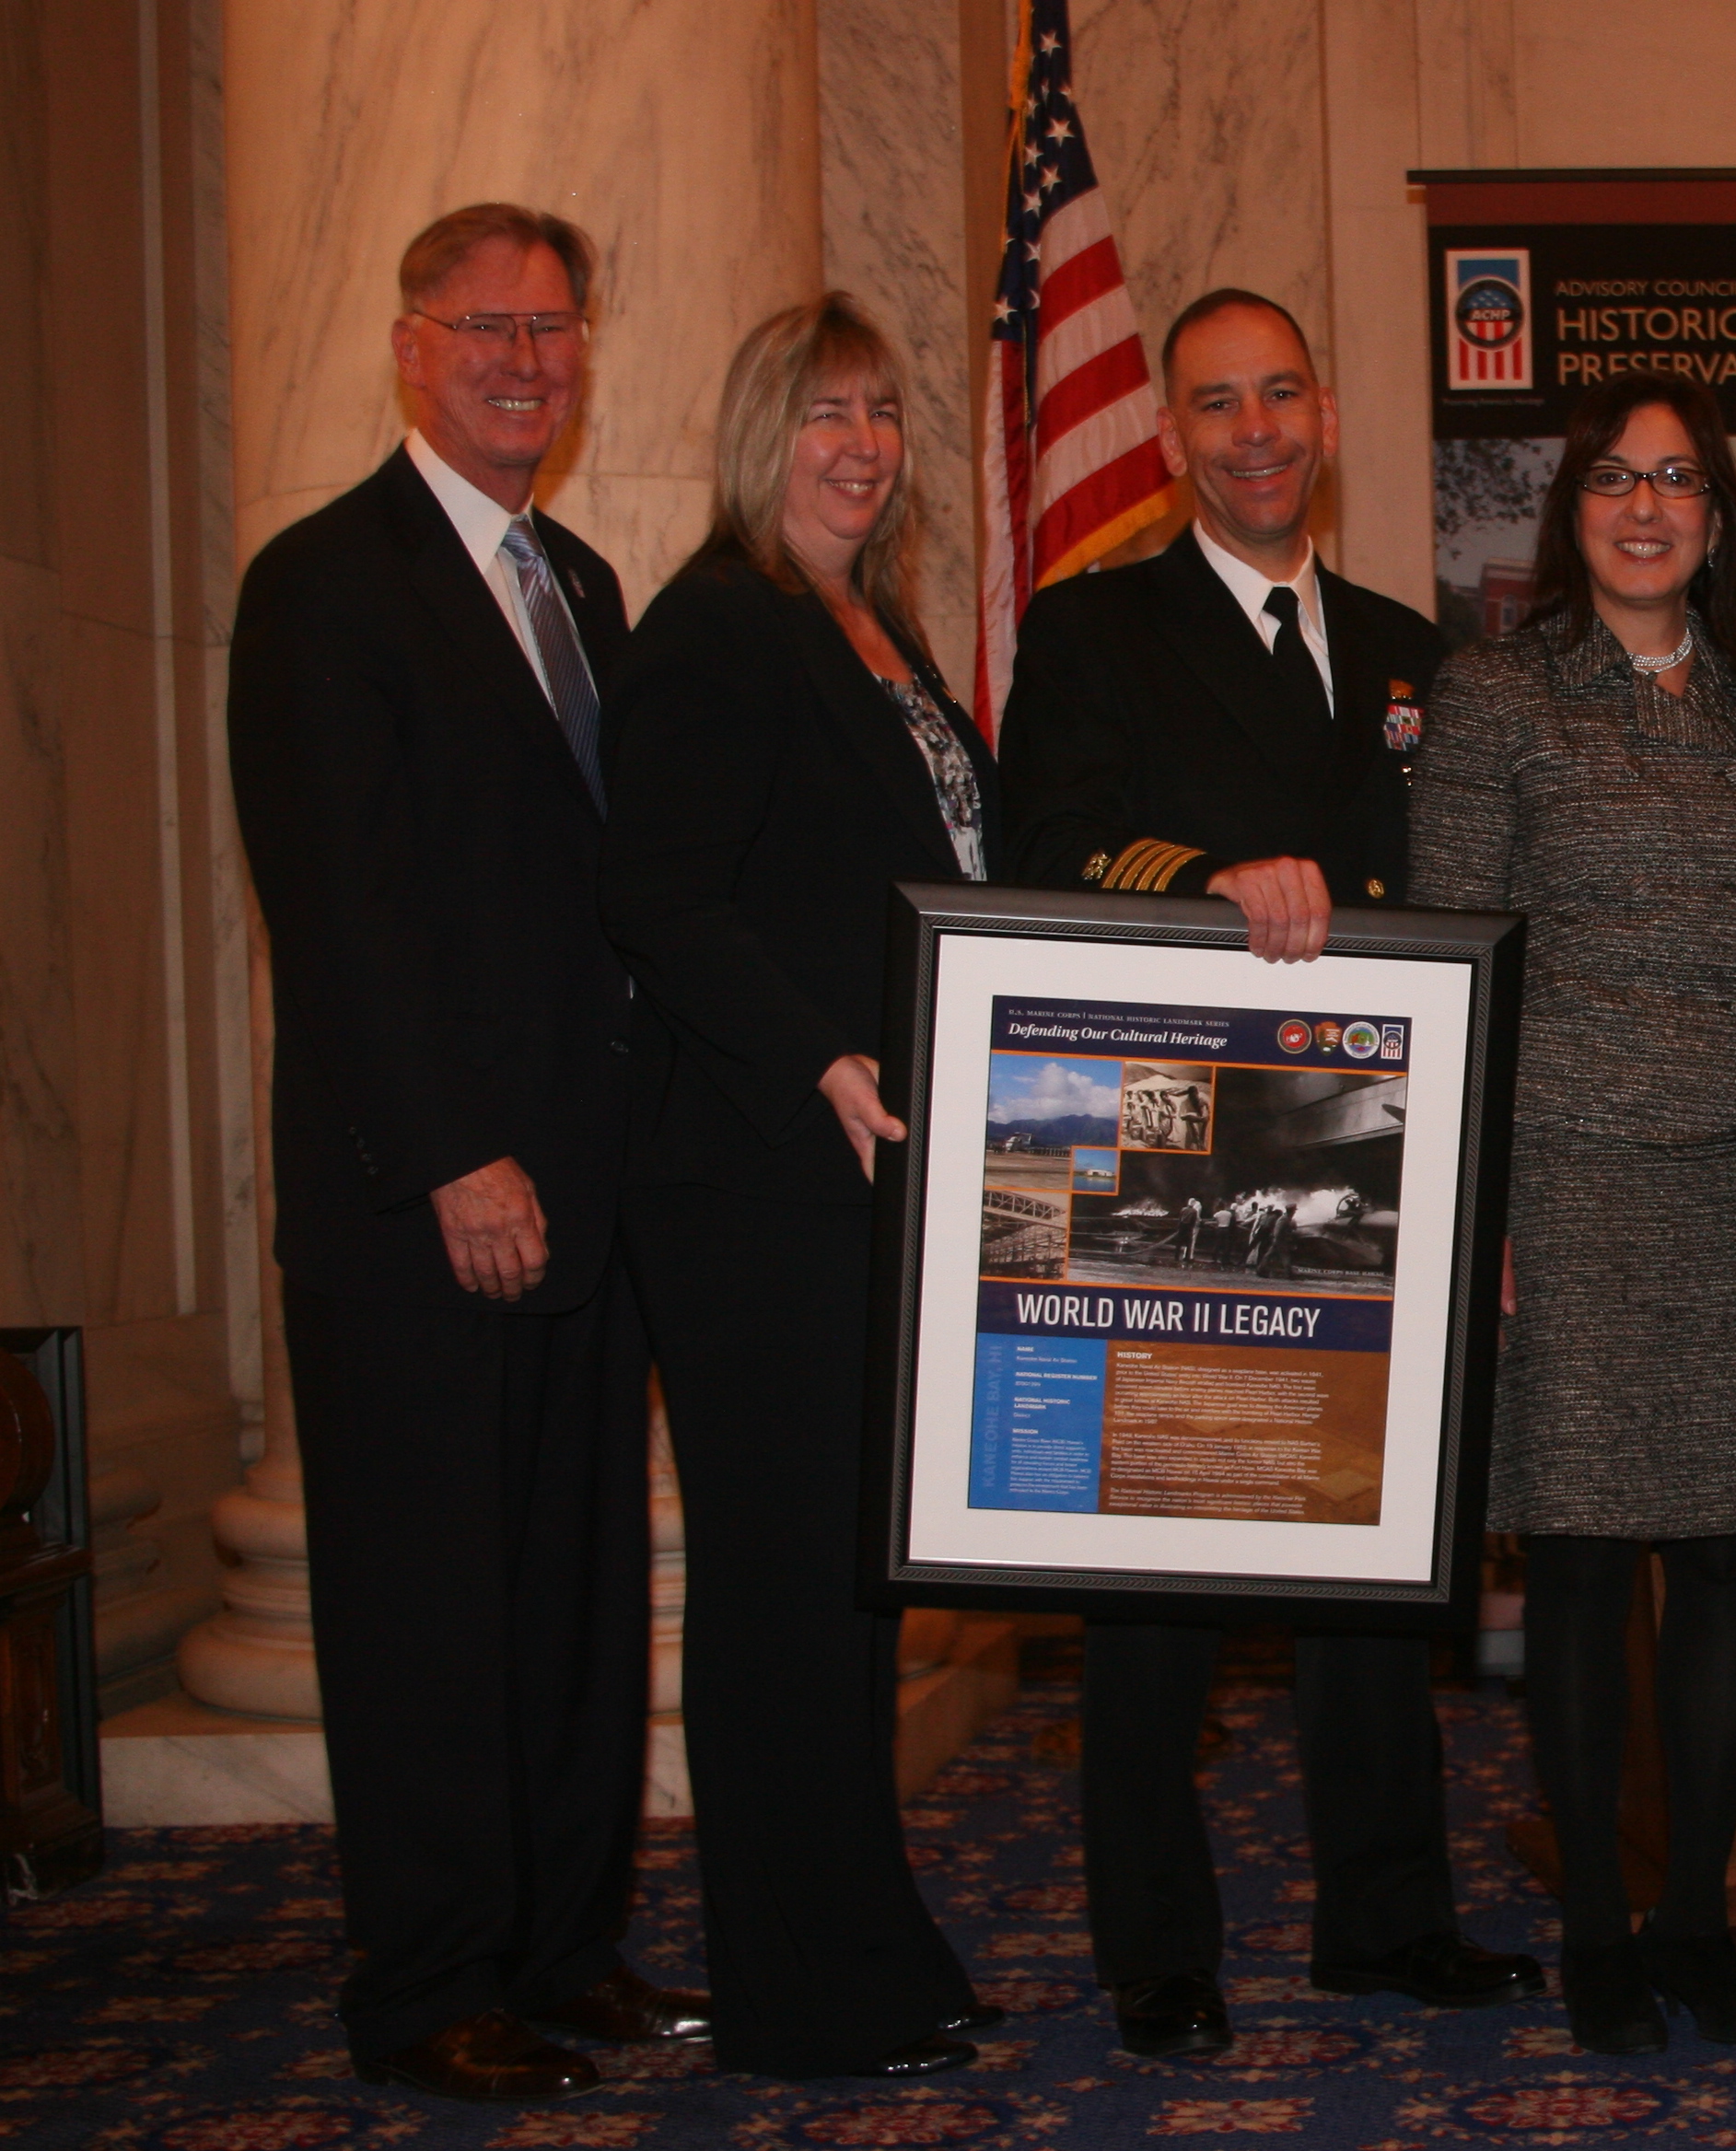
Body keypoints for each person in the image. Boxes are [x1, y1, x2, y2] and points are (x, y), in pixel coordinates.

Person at [998, 287, 1537, 2059]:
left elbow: (1460, 899)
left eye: (1282, 394)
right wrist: (1216, 878)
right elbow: (1042, 847)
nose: (1254, 430)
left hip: (1368, 1159)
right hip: (1170, 1154)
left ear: (1324, 413)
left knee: (1377, 1570)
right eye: (1217, 403)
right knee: (1151, 1567)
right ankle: (1160, 1948)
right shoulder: (1093, 631)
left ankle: (1388, 1919)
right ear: (1172, 434)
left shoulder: (1409, 652)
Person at [225, 203, 707, 2103]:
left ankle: (565, 1949)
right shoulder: (324, 581)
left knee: (574, 1602)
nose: (528, 358)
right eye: (490, 327)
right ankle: (429, 1983)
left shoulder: (579, 581)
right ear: (411, 350)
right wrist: (452, 1157)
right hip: (421, 1208)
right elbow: (333, 910)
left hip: (588, 1197)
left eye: (556, 327)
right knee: (430, 1608)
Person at [600, 293, 993, 2080]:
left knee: (854, 1593)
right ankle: (789, 1986)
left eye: (882, 413)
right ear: (764, 434)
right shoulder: (717, 627)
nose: (861, 444)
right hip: (757, 1188)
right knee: (780, 1594)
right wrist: (813, 1052)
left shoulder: (871, 626)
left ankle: (871, 1941)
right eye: (825, 412)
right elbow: (663, 895)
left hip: (870, 1187)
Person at [1411, 372, 1736, 2057]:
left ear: (1718, 518)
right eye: (1615, 483)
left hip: (1731, 1183)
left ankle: (1698, 1918)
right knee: (1572, 1568)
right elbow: (1453, 951)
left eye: (1681, 483)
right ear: (1569, 512)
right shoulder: (1496, 692)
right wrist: (1474, 1188)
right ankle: (1591, 1929)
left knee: (1725, 1555)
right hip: (1559, 1175)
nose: (1648, 509)